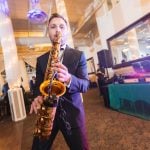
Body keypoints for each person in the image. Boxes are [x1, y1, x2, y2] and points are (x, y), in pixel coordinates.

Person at [30, 13, 89, 150]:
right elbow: (38, 87)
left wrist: (69, 79)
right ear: (48, 32)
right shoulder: (41, 60)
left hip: (72, 115)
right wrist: (37, 97)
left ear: (66, 31)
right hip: (46, 114)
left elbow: (85, 85)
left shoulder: (79, 55)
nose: (57, 30)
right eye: (53, 27)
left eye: (62, 26)